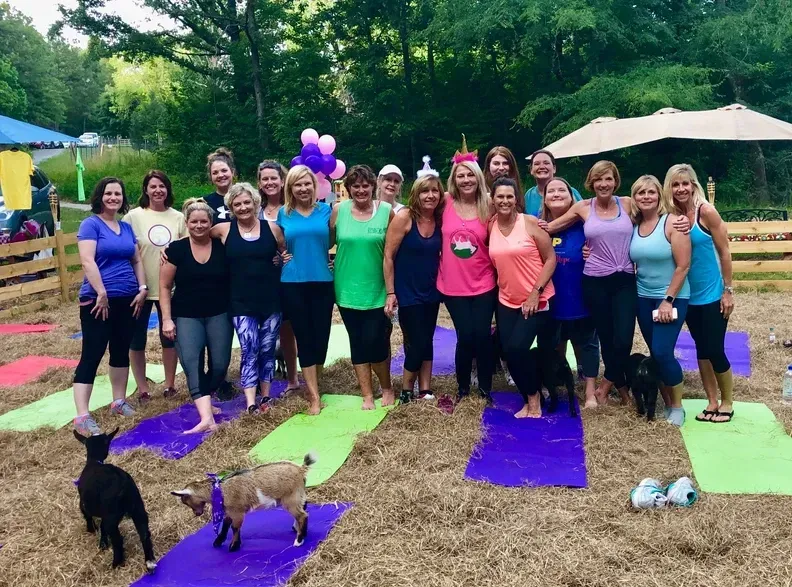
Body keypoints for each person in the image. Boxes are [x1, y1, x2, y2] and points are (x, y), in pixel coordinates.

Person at [543, 161, 635, 405]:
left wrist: (680, 221)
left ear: (616, 181)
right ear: (591, 183)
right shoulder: (583, 208)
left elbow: (653, 214)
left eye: (608, 179)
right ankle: (617, 389)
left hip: (624, 279)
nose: (604, 184)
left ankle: (605, 386)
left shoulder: (627, 203)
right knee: (605, 337)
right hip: (595, 281)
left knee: (623, 339)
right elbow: (552, 226)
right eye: (598, 179)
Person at [73, 178, 149, 436]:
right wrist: (101, 292)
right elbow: (87, 261)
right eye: (108, 193)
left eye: (118, 193)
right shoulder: (91, 224)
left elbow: (136, 259)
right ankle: (82, 415)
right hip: (98, 301)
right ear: (100, 196)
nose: (113, 197)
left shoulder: (125, 228)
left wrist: (142, 289)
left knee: (120, 350)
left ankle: (119, 400)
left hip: (127, 299)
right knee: (92, 353)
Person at [664, 164, 735, 423]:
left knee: (715, 349)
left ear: (694, 185)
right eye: (675, 184)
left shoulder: (707, 212)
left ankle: (728, 402)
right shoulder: (670, 216)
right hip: (687, 296)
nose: (681, 188)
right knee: (701, 350)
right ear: (669, 188)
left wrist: (728, 291)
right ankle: (712, 401)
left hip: (713, 293)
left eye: (686, 183)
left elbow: (725, 252)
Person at [210, 182, 286, 414]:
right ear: (231, 207)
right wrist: (171, 250)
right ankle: (251, 401)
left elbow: (285, 252)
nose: (243, 207)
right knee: (249, 348)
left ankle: (266, 396)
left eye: (247, 202)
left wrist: (280, 260)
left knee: (267, 348)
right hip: (240, 301)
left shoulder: (272, 228)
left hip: (271, 299)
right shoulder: (223, 229)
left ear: (256, 203)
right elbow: (197, 236)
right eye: (237, 204)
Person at [159, 199, 232, 433]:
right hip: (186, 315)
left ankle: (206, 399)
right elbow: (164, 286)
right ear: (186, 223)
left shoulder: (222, 246)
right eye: (194, 221)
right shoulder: (176, 250)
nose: (199, 226)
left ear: (211, 223)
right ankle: (205, 416)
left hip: (219, 313)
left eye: (204, 221)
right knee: (192, 363)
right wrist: (167, 319)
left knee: (220, 365)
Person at [489, 177, 556, 418]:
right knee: (508, 351)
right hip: (506, 299)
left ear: (517, 199)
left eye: (509, 196)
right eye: (500, 196)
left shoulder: (529, 223)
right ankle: (528, 397)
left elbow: (551, 259)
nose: (505, 201)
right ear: (493, 199)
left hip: (536, 299)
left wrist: (534, 294)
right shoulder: (491, 225)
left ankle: (534, 397)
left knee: (518, 348)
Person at [331, 164, 395, 409]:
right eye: (355, 186)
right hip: (346, 289)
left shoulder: (386, 211)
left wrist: (393, 289)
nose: (361, 190)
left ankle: (386, 387)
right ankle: (367, 394)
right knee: (357, 343)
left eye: (365, 185)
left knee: (377, 343)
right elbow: (325, 242)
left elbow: (397, 247)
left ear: (373, 186)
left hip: (377, 290)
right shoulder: (338, 210)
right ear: (348, 189)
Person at [630, 175, 691, 426]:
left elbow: (683, 265)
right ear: (634, 197)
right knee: (656, 353)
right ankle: (664, 399)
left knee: (662, 351)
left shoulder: (673, 223)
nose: (646, 197)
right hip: (643, 298)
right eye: (640, 192)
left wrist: (668, 299)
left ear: (659, 195)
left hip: (671, 297)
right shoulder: (634, 225)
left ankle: (677, 407)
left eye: (651, 192)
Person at [437, 147, 497, 406]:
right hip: (452, 285)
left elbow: (511, 224)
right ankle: (462, 387)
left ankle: (484, 387)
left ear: (478, 177)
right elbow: (418, 207)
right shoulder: (445, 202)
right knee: (465, 336)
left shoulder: (489, 203)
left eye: (470, 175)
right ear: (454, 179)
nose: (466, 180)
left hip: (484, 282)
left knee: (482, 336)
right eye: (461, 176)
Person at [122, 170, 186, 401]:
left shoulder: (178, 217)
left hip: (170, 289)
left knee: (169, 337)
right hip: (139, 288)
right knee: (136, 339)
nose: (158, 190)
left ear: (167, 189)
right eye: (153, 186)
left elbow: (186, 249)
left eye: (162, 186)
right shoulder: (133, 217)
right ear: (146, 190)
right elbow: (124, 248)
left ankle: (169, 384)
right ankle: (142, 388)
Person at [384, 162, 444, 404]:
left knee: (427, 338)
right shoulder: (405, 217)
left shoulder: (440, 219)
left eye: (434, 191)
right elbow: (388, 256)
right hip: (407, 291)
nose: (430, 195)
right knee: (416, 341)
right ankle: (407, 389)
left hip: (432, 290)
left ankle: (425, 388)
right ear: (415, 194)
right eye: (424, 191)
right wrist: (390, 292)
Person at [277, 165, 334, 415]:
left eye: (307, 183)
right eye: (297, 184)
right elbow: (275, 245)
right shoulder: (282, 214)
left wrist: (332, 258)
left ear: (314, 186)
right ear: (290, 187)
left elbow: (334, 240)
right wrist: (278, 258)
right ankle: (313, 395)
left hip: (323, 281)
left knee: (321, 338)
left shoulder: (326, 211)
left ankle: (315, 380)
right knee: (304, 337)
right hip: (293, 282)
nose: (302, 188)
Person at [541, 177, 600, 408]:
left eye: (562, 190)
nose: (556, 194)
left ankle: (589, 393)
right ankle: (554, 384)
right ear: (544, 199)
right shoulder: (538, 226)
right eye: (551, 191)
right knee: (552, 344)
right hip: (551, 300)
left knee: (587, 345)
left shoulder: (587, 225)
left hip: (581, 298)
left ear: (572, 196)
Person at [258, 160, 299, 392]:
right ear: (260, 183)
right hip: (265, 278)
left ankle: (294, 378)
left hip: (292, 275)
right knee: (274, 329)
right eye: (265, 179)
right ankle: (266, 374)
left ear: (282, 180)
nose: (270, 182)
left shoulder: (293, 208)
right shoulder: (256, 210)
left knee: (291, 329)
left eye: (274, 178)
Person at [524, 149, 582, 217]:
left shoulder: (571, 192)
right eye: (537, 164)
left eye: (546, 163)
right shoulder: (529, 195)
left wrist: (551, 226)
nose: (542, 167)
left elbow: (583, 214)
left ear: (554, 168)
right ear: (531, 170)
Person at [204, 148, 236, 224]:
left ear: (232, 172)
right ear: (210, 177)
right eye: (215, 173)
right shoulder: (205, 203)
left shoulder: (245, 199)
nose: (220, 175)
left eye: (224, 170)